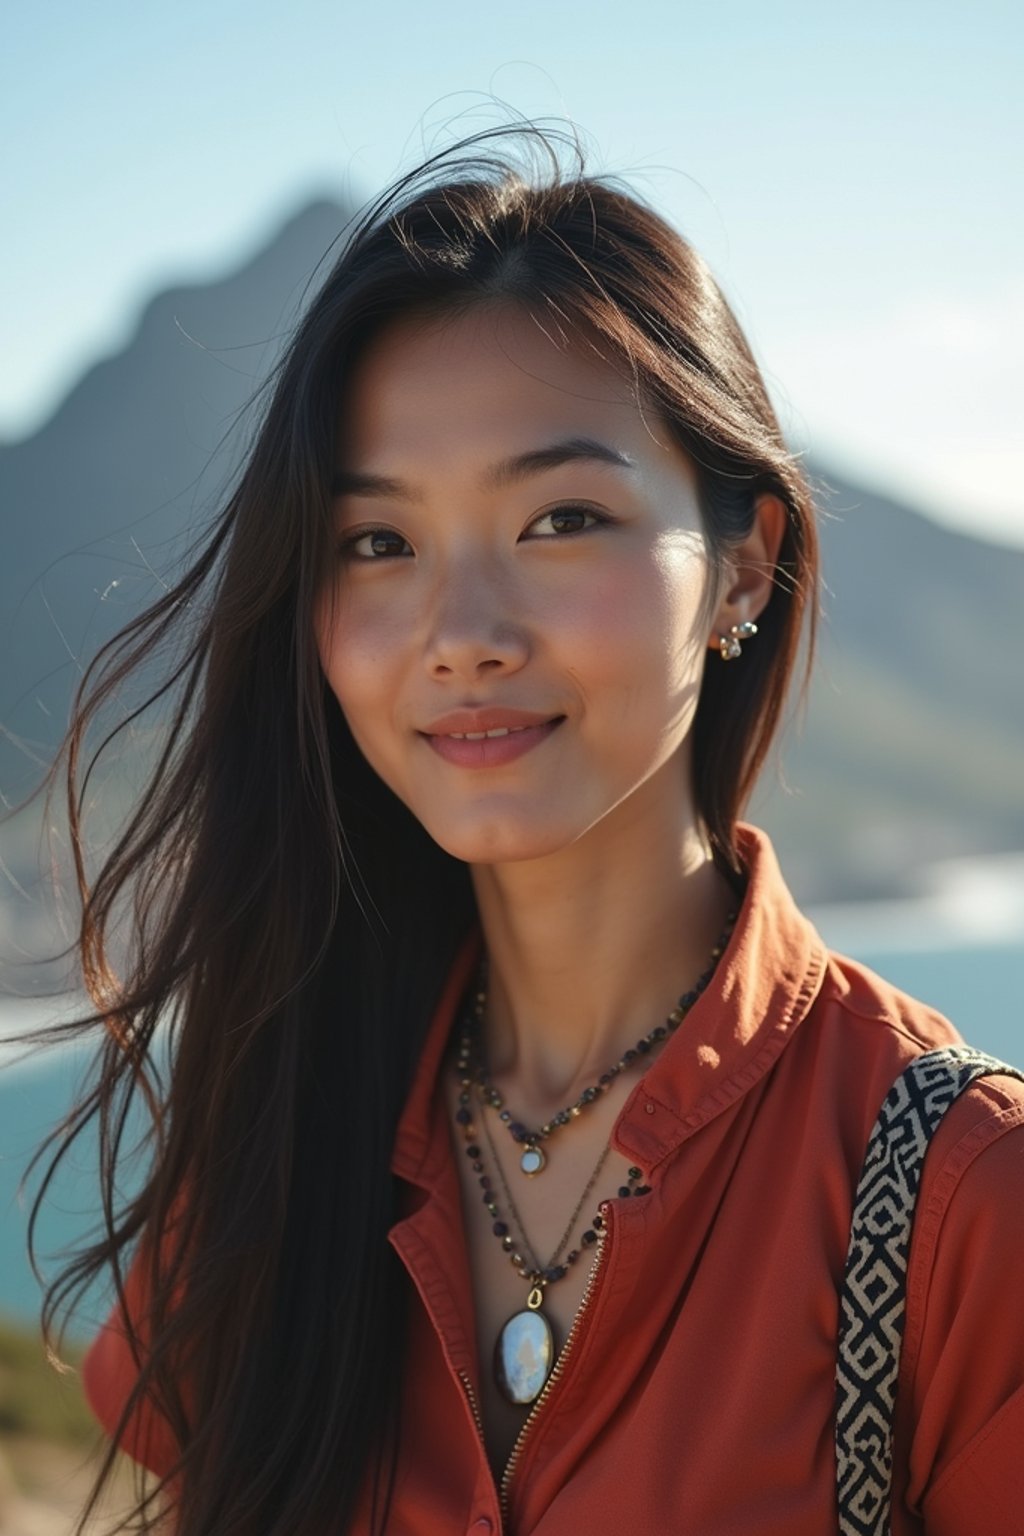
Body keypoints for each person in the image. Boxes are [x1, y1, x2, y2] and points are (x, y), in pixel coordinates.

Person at [31, 128, 1024, 1535]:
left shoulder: (966, 1203)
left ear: (746, 563)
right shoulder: (276, 1138)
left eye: (561, 518)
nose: (464, 637)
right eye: (379, 543)